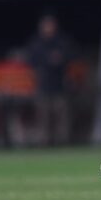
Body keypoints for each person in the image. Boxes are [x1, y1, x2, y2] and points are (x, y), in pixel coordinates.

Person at [25, 14, 74, 146]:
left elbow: (69, 57)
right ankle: (44, 143)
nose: (48, 28)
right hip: (43, 85)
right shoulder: (36, 43)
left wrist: (59, 59)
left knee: (61, 117)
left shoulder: (61, 41)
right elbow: (31, 61)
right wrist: (48, 60)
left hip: (59, 85)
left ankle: (62, 142)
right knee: (43, 117)